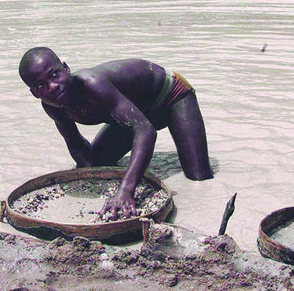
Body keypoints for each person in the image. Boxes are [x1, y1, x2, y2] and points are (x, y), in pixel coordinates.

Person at [19, 48, 214, 220]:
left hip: (170, 94)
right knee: (95, 164)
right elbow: (76, 145)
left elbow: (146, 131)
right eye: (40, 86)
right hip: (135, 111)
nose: (52, 86)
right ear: (34, 93)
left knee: (198, 178)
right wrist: (86, 180)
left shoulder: (92, 84)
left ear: (66, 68)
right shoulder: (53, 107)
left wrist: (125, 190)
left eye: (54, 75)